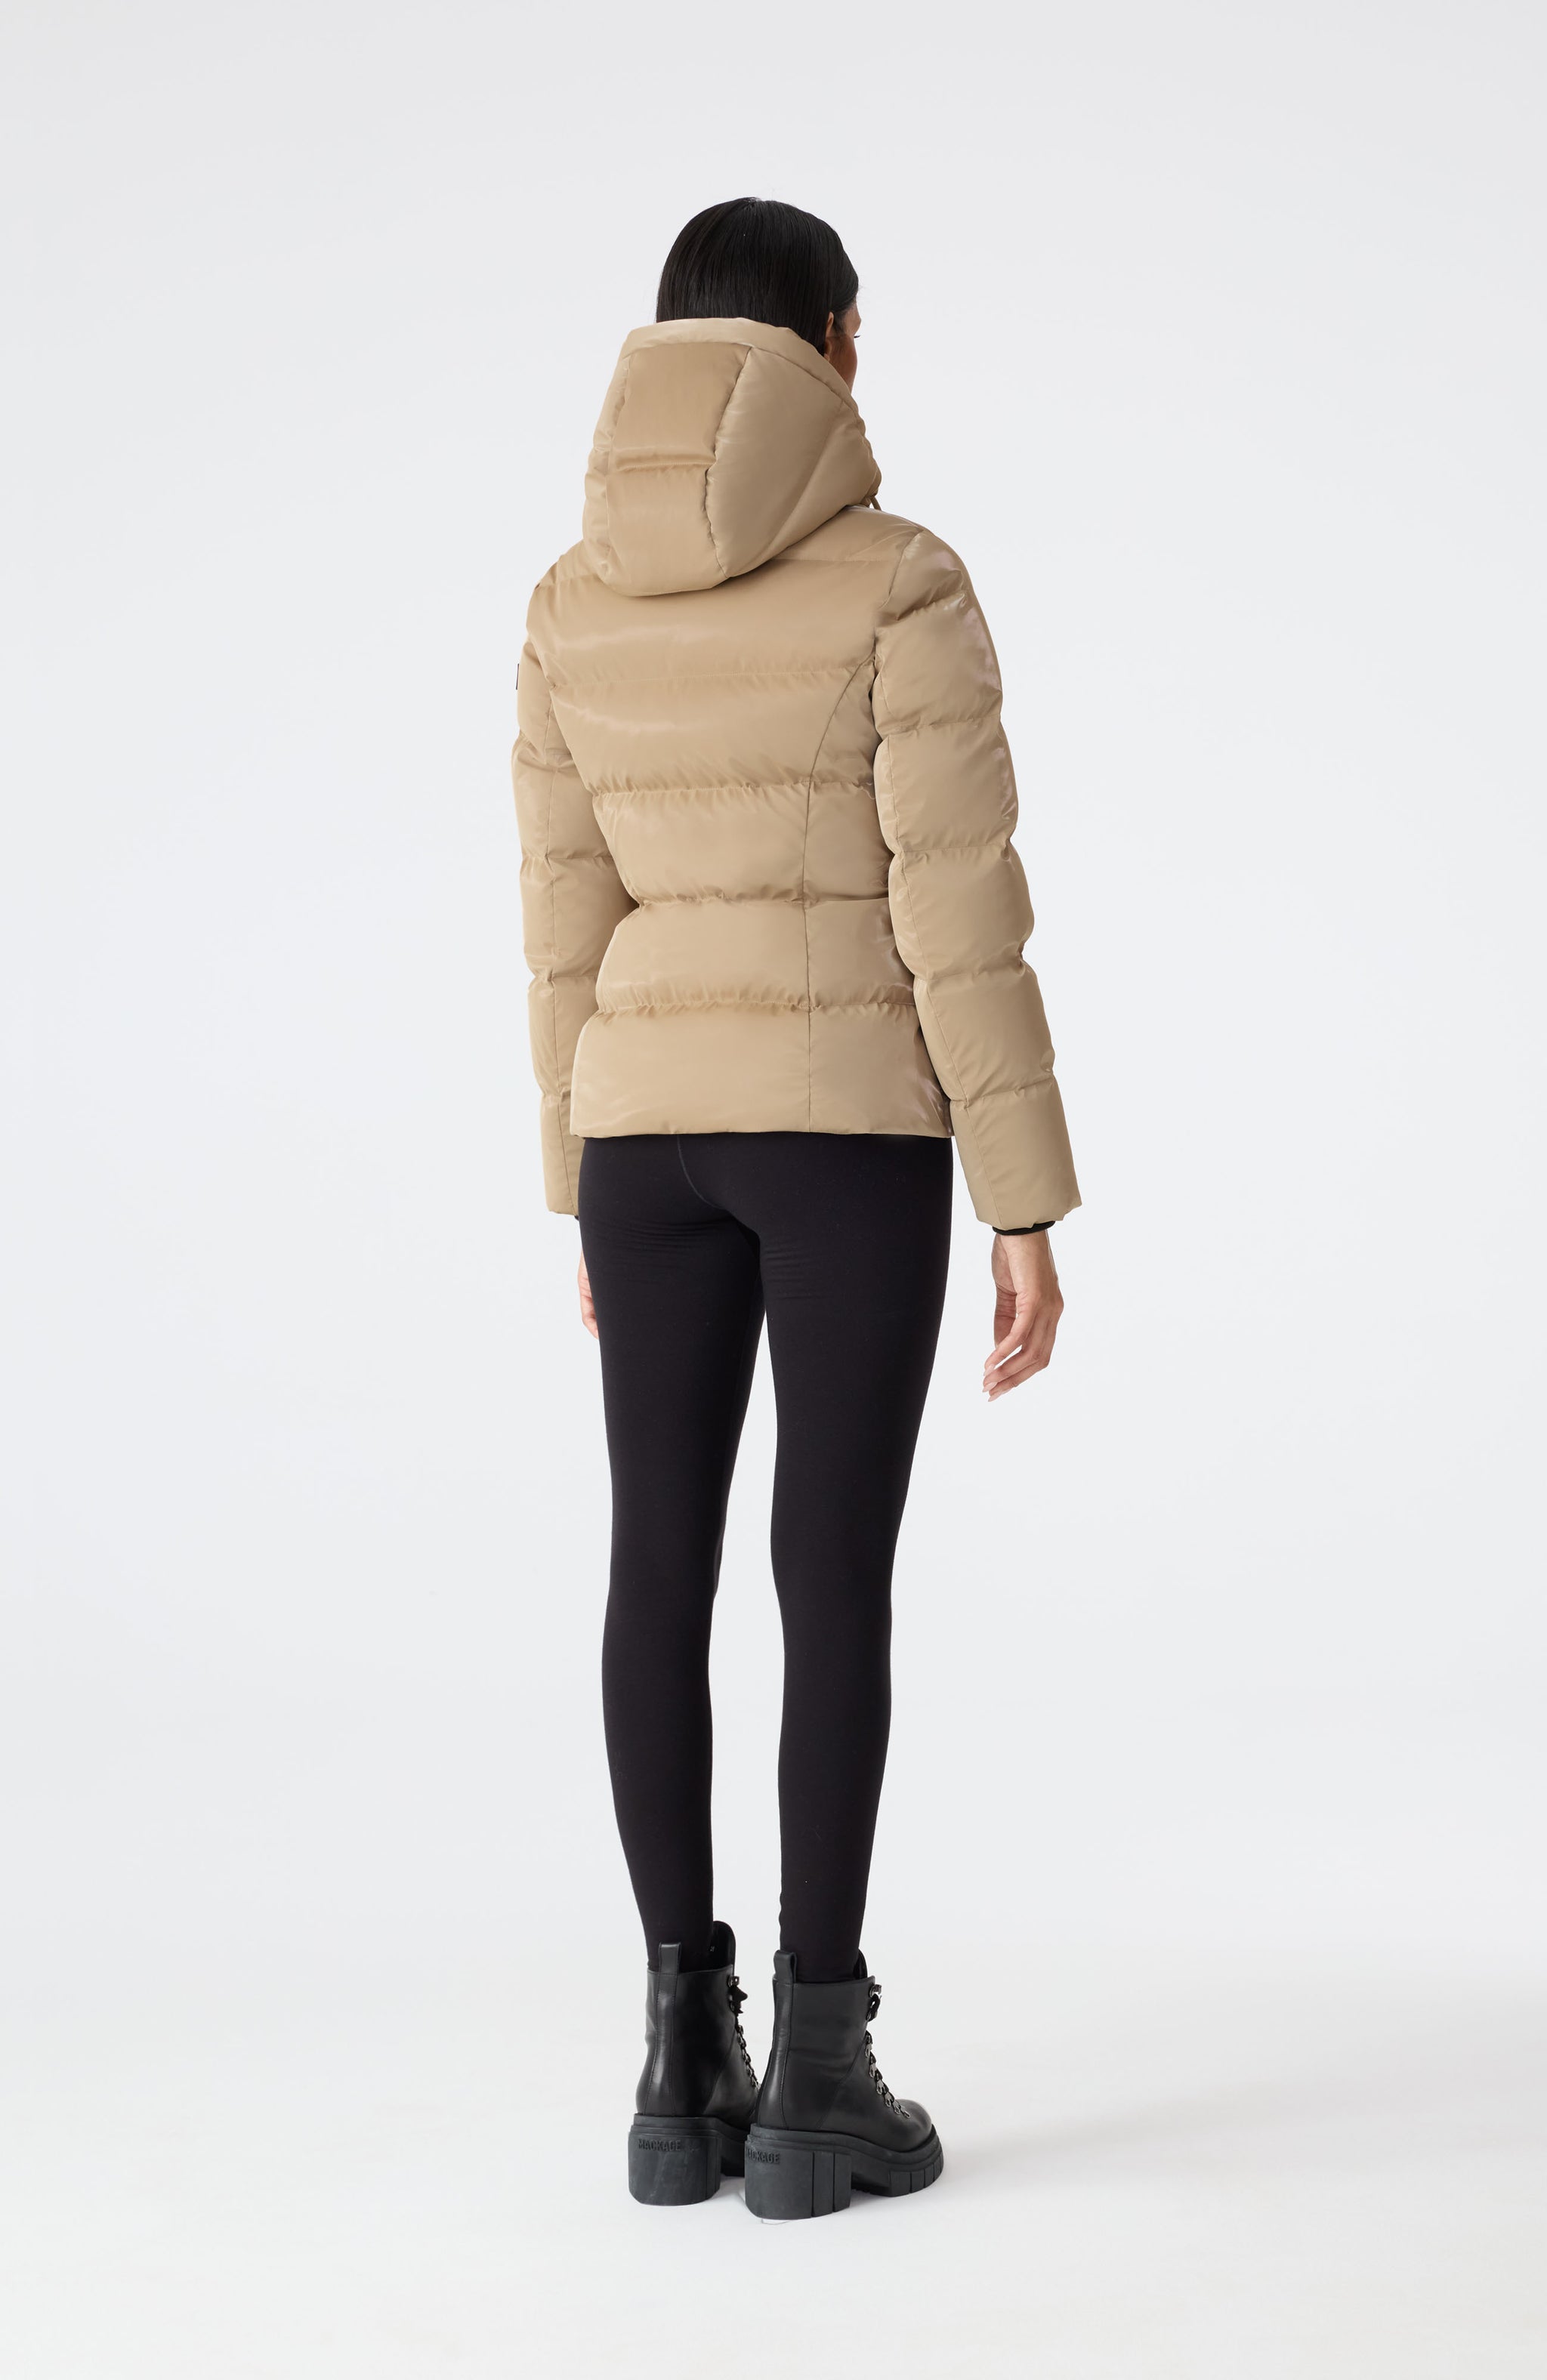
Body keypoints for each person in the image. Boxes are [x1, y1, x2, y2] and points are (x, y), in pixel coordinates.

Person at [512, 196, 1079, 2219]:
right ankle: (823, 2077)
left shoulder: (572, 597)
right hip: (845, 1136)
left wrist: (579, 1182)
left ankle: (683, 2067)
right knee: (828, 1570)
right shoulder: (900, 579)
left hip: (644, 1143)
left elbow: (563, 910)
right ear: (837, 343)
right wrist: (1024, 1199)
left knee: (654, 1569)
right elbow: (957, 909)